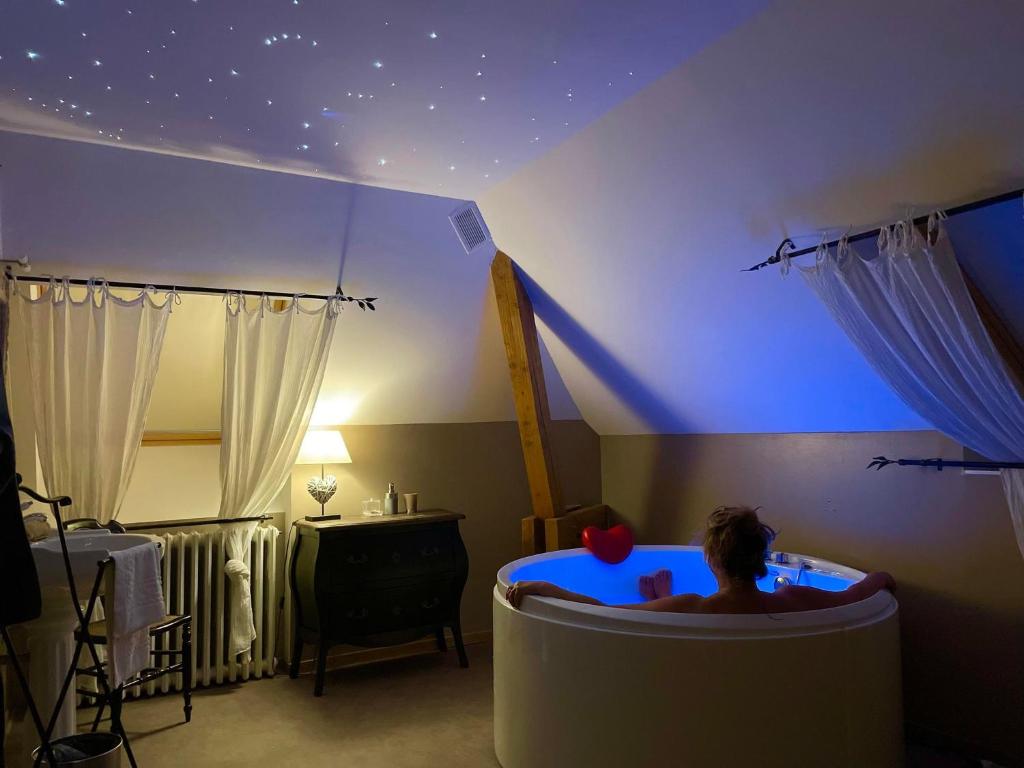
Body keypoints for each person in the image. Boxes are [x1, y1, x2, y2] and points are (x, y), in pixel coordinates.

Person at [504, 506, 894, 614]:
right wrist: (883, 577)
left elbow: (606, 612)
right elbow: (857, 593)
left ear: (712, 560)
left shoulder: (694, 608)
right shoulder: (792, 601)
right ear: (760, 559)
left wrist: (543, 586)